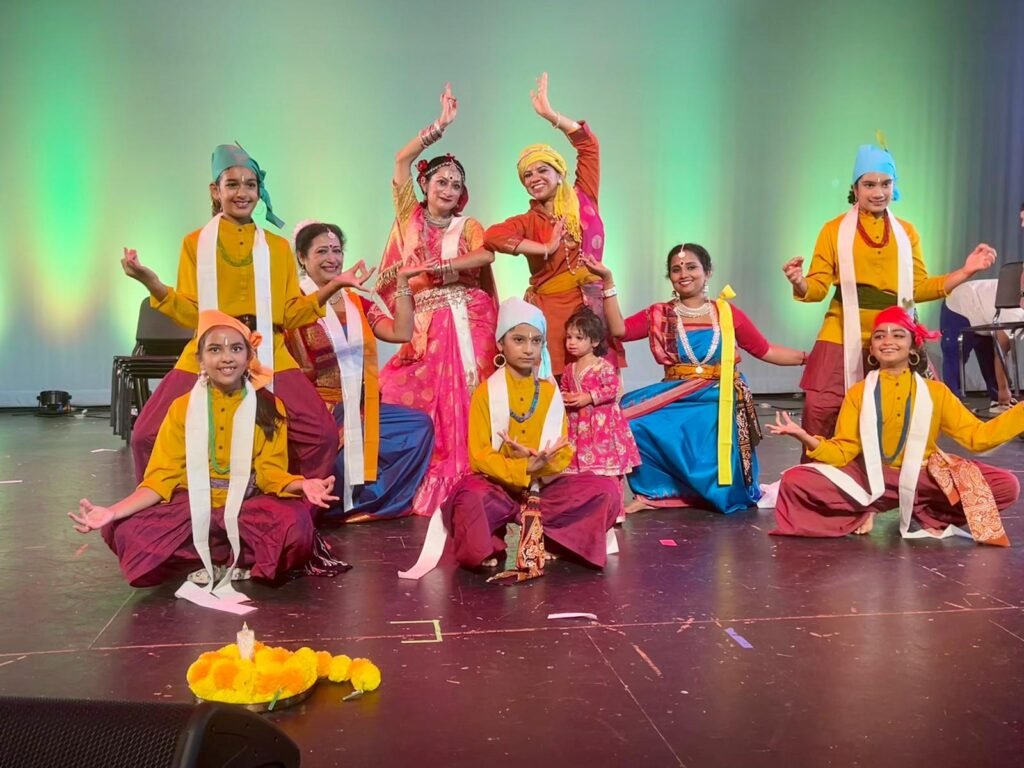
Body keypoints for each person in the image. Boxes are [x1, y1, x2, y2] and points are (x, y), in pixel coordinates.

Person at [121, 143, 372, 483]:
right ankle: (172, 507)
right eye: (232, 184)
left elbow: (290, 313)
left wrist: (334, 285)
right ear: (216, 191)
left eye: (250, 185)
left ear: (259, 191)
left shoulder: (277, 247)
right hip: (209, 350)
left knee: (322, 435)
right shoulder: (195, 244)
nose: (242, 193)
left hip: (269, 350)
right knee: (145, 435)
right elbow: (192, 315)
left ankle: (296, 504)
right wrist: (151, 282)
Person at [69, 312, 340, 594]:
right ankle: (209, 559)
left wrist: (301, 484)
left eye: (236, 348)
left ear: (249, 357)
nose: (226, 358)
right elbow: (161, 479)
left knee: (295, 526)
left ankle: (232, 559)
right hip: (191, 504)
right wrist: (111, 511)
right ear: (200, 360)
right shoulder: (181, 408)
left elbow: (270, 473)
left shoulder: (270, 407)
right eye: (215, 349)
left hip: (247, 505)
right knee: (124, 528)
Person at [782, 140, 997, 442]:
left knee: (892, 416)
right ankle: (819, 470)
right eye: (869, 184)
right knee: (821, 409)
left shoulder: (906, 232)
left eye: (886, 183)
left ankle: (882, 471)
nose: (878, 192)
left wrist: (966, 271)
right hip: (840, 330)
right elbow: (817, 288)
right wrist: (799, 281)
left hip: (892, 332)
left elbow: (919, 288)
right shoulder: (833, 229)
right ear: (855, 188)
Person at [768, 307, 1022, 544]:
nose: (888, 341)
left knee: (1006, 485)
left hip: (925, 476)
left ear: (913, 347)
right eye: (879, 336)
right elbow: (844, 451)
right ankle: (866, 508)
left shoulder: (936, 392)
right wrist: (805, 437)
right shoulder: (858, 393)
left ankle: (928, 513)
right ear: (872, 349)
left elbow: (978, 438)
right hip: (868, 476)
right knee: (795, 480)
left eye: (898, 335)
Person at [589, 246, 807, 515]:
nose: (684, 274)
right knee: (624, 417)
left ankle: (704, 491)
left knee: (727, 481)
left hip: (720, 396)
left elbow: (766, 350)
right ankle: (656, 492)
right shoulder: (659, 313)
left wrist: (809, 358)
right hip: (677, 393)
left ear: (708, 272)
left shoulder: (726, 312)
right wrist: (608, 281)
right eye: (676, 269)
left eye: (691, 267)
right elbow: (619, 330)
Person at [372, 84, 499, 516]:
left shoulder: (468, 225)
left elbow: (485, 255)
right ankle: (416, 475)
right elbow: (400, 160)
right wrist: (439, 127)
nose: (448, 189)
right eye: (441, 181)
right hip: (423, 326)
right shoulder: (408, 216)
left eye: (456, 185)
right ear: (424, 184)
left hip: (466, 322)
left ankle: (475, 475)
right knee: (404, 395)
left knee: (467, 398)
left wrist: (443, 267)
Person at [438, 298, 621, 583]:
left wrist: (544, 462)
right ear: (501, 343)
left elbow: (563, 449)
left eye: (536, 341)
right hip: (498, 489)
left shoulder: (549, 392)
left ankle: (555, 541)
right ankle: (490, 545)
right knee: (468, 496)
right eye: (519, 340)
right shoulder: (485, 393)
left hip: (543, 489)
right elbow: (480, 455)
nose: (528, 349)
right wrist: (523, 467)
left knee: (606, 490)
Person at [285, 220, 434, 522]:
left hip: (359, 404)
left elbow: (401, 332)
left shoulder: (355, 301)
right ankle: (324, 505)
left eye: (336, 250)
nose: (332, 258)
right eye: (322, 251)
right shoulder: (294, 303)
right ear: (302, 257)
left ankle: (370, 503)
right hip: (314, 408)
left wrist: (403, 283)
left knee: (418, 427)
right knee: (332, 443)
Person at [484, 73, 623, 376]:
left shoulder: (583, 197)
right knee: (559, 385)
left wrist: (552, 116)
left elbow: (589, 147)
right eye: (527, 175)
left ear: (559, 173)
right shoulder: (527, 221)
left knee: (597, 382)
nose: (534, 178)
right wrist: (545, 247)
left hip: (593, 306)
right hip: (555, 313)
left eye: (542, 170)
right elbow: (493, 236)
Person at [561, 307, 640, 518]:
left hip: (601, 428)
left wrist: (589, 397)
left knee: (607, 469)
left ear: (594, 341)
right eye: (569, 337)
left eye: (579, 338)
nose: (572, 342)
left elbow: (612, 389)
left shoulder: (602, 366)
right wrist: (565, 397)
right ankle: (587, 511)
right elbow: (564, 388)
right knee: (581, 471)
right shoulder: (569, 368)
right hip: (578, 426)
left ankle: (614, 512)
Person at [940, 278, 1022, 412]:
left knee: (988, 357)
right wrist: (1004, 389)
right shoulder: (1015, 313)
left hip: (985, 309)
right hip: (960, 305)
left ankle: (998, 401)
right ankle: (952, 407)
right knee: (954, 359)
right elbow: (1001, 354)